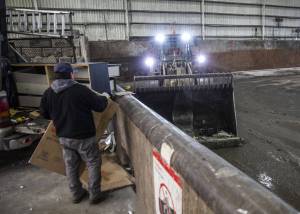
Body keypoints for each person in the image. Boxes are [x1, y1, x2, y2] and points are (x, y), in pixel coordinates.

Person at [40, 63, 109, 204]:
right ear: (71, 74)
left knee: (71, 165)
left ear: (55, 75)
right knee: (93, 162)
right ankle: (94, 194)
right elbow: (100, 106)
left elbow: (44, 114)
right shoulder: (80, 90)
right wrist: (105, 97)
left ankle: (76, 193)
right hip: (85, 137)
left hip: (64, 137)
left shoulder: (48, 93)